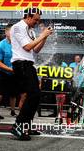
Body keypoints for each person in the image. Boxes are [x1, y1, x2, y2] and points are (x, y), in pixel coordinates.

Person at [10, 8, 53, 141]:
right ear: (28, 16)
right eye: (35, 19)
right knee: (32, 94)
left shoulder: (31, 30)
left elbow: (36, 49)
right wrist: (42, 35)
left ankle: (26, 126)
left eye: (38, 20)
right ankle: (18, 125)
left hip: (28, 65)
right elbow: (27, 47)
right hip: (21, 64)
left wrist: (44, 37)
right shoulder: (18, 27)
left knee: (35, 96)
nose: (36, 22)